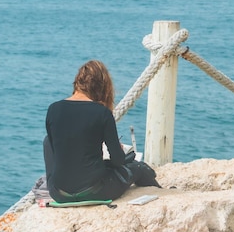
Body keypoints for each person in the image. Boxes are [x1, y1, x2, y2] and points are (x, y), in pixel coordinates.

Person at [44, 60, 160, 203]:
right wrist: (119, 150)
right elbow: (118, 161)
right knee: (138, 168)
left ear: (77, 83)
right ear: (102, 87)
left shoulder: (53, 109)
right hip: (95, 191)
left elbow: (60, 154)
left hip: (59, 193)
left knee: (47, 141)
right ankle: (160, 192)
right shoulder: (102, 113)